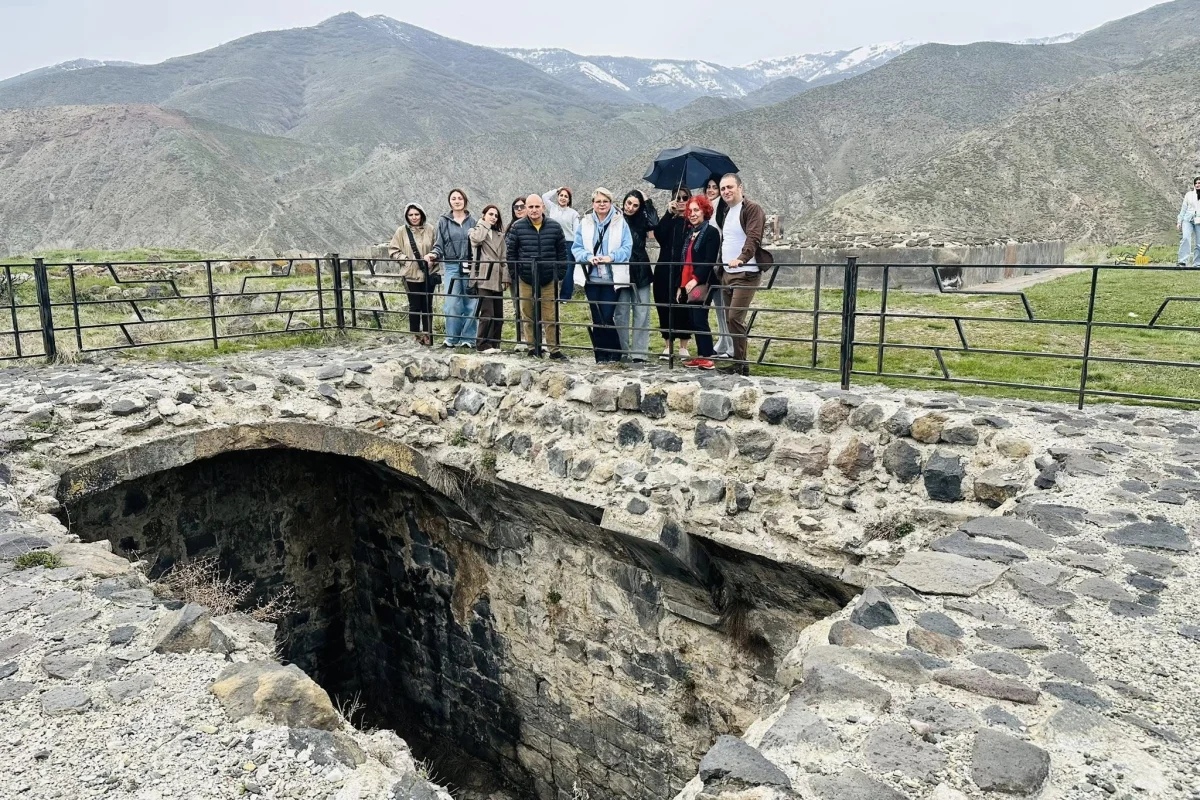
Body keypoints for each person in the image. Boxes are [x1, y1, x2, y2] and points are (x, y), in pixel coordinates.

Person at [715, 174, 773, 375]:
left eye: (729, 187)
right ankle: (738, 362)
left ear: (740, 187)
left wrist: (742, 258)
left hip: (746, 272)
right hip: (727, 273)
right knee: (729, 318)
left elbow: (754, 237)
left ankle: (741, 365)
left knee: (734, 317)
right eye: (723, 189)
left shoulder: (751, 209)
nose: (726, 192)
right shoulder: (727, 211)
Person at [506, 194, 570, 360]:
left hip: (549, 278)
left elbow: (562, 253)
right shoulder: (517, 227)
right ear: (526, 208)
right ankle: (533, 348)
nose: (534, 210)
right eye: (530, 207)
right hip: (526, 278)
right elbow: (511, 254)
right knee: (527, 314)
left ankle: (554, 350)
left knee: (551, 315)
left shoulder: (555, 227)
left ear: (543, 207)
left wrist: (559, 275)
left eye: (537, 206)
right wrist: (516, 274)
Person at [573, 187, 632, 364]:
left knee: (607, 316)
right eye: (598, 201)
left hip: (611, 278)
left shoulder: (620, 222)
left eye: (605, 201)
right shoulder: (585, 222)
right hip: (591, 277)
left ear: (611, 203)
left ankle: (614, 352)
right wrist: (588, 257)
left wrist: (611, 257)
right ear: (593, 204)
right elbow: (577, 247)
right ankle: (600, 354)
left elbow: (627, 247)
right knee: (596, 317)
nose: (602, 204)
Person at [677, 196, 721, 370]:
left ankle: (707, 357)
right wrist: (682, 285)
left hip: (703, 282)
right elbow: (685, 262)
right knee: (693, 319)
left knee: (700, 319)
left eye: (696, 210)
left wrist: (695, 280)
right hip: (688, 281)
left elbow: (709, 260)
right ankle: (702, 355)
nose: (693, 214)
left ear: (705, 211)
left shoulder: (711, 232)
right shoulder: (690, 233)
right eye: (690, 210)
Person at [430, 188, 477, 348]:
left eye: (460, 198)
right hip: (450, 266)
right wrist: (433, 255)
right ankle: (451, 338)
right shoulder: (443, 221)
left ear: (465, 201)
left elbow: (478, 245)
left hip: (469, 265)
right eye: (454, 198)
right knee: (451, 303)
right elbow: (439, 244)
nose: (457, 201)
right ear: (450, 202)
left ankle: (468, 339)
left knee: (470, 302)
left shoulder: (473, 222)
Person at [387, 203, 438, 346]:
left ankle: (428, 335)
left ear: (421, 214)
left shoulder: (431, 229)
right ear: (406, 216)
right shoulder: (401, 231)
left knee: (427, 305)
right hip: (410, 274)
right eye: (411, 215)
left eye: (417, 214)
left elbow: (437, 248)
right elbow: (393, 250)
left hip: (428, 273)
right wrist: (406, 261)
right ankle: (415, 335)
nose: (414, 217)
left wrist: (433, 258)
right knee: (414, 306)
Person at [652, 187, 694, 360]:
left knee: (684, 305)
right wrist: (669, 213)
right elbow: (659, 235)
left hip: (684, 269)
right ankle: (667, 345)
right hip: (664, 268)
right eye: (678, 197)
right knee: (663, 305)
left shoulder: (692, 220)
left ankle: (684, 345)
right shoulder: (668, 219)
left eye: (685, 197)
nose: (682, 200)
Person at [616, 190, 658, 362]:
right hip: (621, 269)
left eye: (635, 205)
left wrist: (647, 201)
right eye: (628, 203)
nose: (631, 208)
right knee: (621, 312)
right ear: (624, 202)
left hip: (640, 269)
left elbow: (654, 222)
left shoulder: (642, 220)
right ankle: (622, 351)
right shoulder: (616, 219)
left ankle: (639, 353)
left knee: (642, 312)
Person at [469, 204, 509, 354]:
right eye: (490, 214)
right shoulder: (476, 231)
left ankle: (494, 343)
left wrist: (506, 277)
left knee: (498, 314)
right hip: (483, 276)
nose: (493, 217)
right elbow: (476, 239)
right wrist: (483, 223)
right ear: (483, 215)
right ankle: (482, 344)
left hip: (498, 277)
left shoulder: (500, 235)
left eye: (496, 215)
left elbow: (504, 257)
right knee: (487, 313)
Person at [703, 175, 733, 358]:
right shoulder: (707, 209)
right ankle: (723, 340)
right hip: (711, 265)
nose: (711, 190)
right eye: (709, 186)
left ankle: (731, 344)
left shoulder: (722, 208)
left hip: (720, 263)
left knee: (725, 306)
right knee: (718, 306)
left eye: (715, 187)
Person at [542, 187, 581, 302]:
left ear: (569, 200)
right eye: (561, 195)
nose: (563, 198)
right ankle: (551, 294)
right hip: (553, 242)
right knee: (552, 268)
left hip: (569, 243)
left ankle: (565, 297)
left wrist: (576, 246)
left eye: (566, 196)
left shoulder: (574, 213)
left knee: (568, 270)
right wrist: (557, 189)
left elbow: (577, 231)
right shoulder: (553, 208)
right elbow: (544, 197)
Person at [1178, 177, 1200, 266]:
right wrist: (1179, 221)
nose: (1198, 185)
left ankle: (1197, 263)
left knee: (1199, 243)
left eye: (1199, 183)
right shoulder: (1189, 195)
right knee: (1186, 238)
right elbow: (1183, 209)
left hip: (1199, 221)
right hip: (1188, 219)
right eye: (1196, 183)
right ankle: (1183, 261)